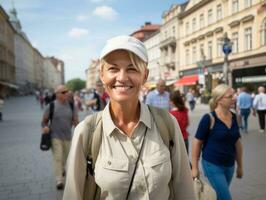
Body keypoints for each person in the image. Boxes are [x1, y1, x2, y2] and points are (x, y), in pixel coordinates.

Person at [63, 35, 196, 200]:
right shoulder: (87, 131)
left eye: (132, 69)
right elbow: (72, 195)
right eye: (113, 69)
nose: (122, 77)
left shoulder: (167, 124)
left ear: (144, 75)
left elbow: (185, 189)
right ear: (102, 75)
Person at [191, 84, 243, 200]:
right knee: (225, 197)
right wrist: (195, 168)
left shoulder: (233, 117)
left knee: (219, 196)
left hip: (229, 165)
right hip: (212, 165)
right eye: (230, 96)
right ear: (219, 100)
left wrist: (240, 166)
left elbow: (238, 143)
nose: (234, 98)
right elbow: (197, 143)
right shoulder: (209, 118)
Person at [41, 85, 79, 190]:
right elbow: (43, 122)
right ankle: (59, 180)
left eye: (67, 91)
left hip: (68, 136)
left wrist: (81, 133)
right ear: (57, 94)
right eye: (63, 92)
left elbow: (76, 122)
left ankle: (62, 169)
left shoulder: (72, 106)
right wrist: (45, 127)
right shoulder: (51, 106)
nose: (66, 93)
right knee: (58, 157)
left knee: (67, 159)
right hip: (55, 136)